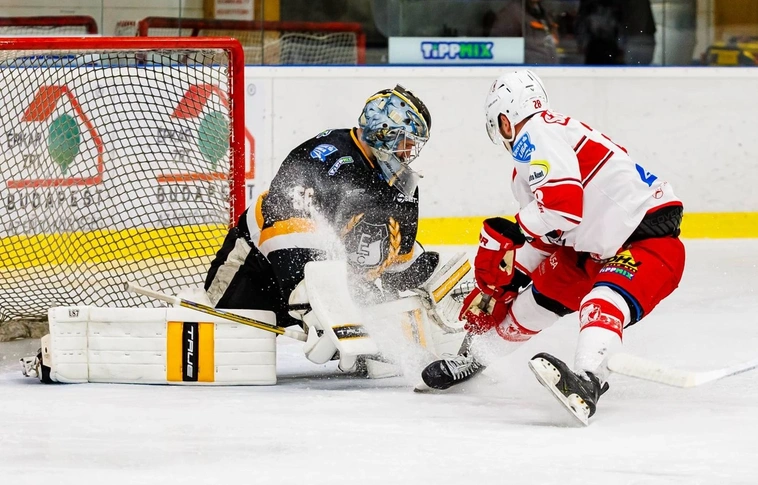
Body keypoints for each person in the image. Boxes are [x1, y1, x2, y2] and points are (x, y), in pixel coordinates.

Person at [421, 70, 685, 424]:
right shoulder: (542, 147)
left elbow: (563, 207)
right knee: (529, 307)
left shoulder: (536, 132)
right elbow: (552, 232)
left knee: (601, 302)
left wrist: (514, 231)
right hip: (589, 249)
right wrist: (508, 279)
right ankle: (476, 356)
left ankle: (588, 380)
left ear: (504, 120)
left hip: (646, 242)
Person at [203, 84, 437, 333]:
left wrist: (411, 279)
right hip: (253, 276)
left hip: (315, 283)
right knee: (226, 338)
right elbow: (281, 221)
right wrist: (315, 298)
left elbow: (390, 262)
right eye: (405, 142)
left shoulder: (399, 184)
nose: (408, 152)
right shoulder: (323, 156)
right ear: (384, 130)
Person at [483, 0, 559, 65]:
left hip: (548, 68)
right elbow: (498, 46)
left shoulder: (542, 11)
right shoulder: (512, 12)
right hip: (527, 69)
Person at [575, 0, 624, 65]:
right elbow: (582, 26)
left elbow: (620, 28)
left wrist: (621, 46)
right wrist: (582, 43)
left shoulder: (615, 8)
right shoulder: (588, 7)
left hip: (609, 44)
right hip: (594, 44)